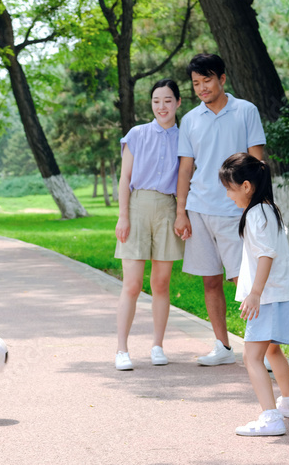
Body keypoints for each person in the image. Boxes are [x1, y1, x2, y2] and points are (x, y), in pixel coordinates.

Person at [173, 53, 266, 367]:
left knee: (244, 281)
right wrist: (181, 211)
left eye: (207, 80)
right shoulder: (190, 120)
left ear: (222, 79)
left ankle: (262, 349)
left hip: (236, 211)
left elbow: (258, 162)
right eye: (196, 83)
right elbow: (185, 169)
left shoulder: (245, 111)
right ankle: (223, 347)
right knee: (210, 280)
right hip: (199, 210)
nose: (202, 88)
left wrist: (258, 205)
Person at [219, 153, 289, 436]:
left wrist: (254, 294)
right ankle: (288, 403)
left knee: (251, 357)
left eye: (230, 189)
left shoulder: (255, 214)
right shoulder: (269, 209)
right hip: (282, 293)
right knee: (271, 349)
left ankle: (271, 418)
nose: (229, 196)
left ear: (245, 186)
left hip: (267, 297)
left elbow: (266, 255)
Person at [114, 79, 185, 370]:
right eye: (156, 101)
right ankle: (121, 349)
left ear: (178, 103)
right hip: (137, 206)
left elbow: (185, 179)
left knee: (160, 283)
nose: (162, 106)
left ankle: (157, 345)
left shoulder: (185, 138)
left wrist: (182, 213)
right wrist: (123, 215)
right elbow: (124, 179)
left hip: (168, 208)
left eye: (168, 100)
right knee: (131, 284)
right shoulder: (137, 134)